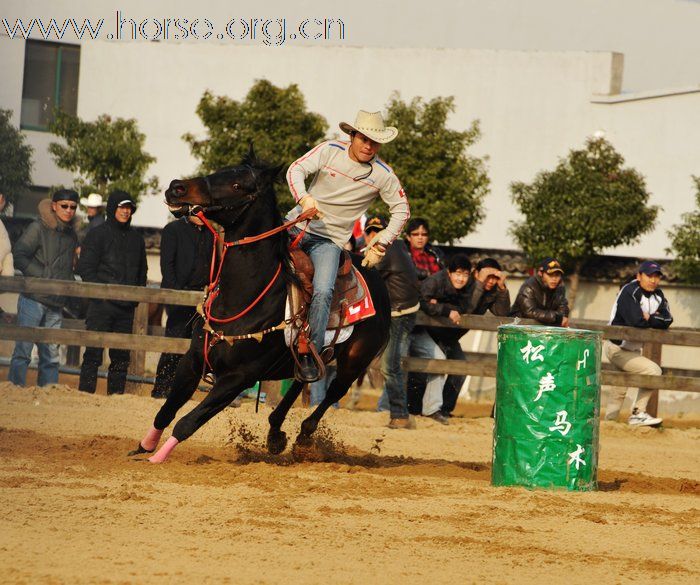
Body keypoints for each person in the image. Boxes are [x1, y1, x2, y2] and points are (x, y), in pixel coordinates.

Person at [285, 110, 410, 382]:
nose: (368, 146)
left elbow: (402, 209)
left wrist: (381, 244)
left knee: (323, 290)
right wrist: (305, 199)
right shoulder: (329, 151)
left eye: (374, 142)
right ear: (352, 136)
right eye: (364, 139)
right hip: (295, 225)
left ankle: (311, 354)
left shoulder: (383, 175)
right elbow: (296, 169)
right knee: (250, 259)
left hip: (329, 241)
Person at [77, 191, 147, 395]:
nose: (126, 211)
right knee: (93, 354)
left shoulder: (137, 239)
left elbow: (142, 271)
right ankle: (84, 396)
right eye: (122, 207)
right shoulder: (97, 234)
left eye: (129, 208)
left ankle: (115, 399)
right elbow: (86, 268)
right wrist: (101, 294)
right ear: (112, 208)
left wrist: (134, 299)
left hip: (125, 309)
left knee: (121, 357)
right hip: (100, 307)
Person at [7, 189, 79, 386]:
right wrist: (43, 275)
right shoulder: (37, 227)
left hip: (56, 303)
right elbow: (20, 254)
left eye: (73, 207)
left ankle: (48, 395)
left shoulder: (72, 235)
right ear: (54, 206)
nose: (69, 210)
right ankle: (14, 393)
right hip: (33, 299)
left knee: (51, 355)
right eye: (64, 205)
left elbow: (68, 266)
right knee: (23, 350)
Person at [364, 216, 421, 429]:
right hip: (400, 311)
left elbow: (366, 269)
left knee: (390, 366)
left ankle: (400, 415)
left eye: (376, 230)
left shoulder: (383, 248)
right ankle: (395, 411)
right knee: (392, 365)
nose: (372, 235)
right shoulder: (394, 245)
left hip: (399, 313)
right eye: (370, 231)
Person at [151, 214, 213, 398]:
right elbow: (167, 265)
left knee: (196, 346)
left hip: (202, 297)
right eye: (198, 210)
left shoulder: (211, 233)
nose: (202, 214)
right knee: (174, 341)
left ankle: (183, 391)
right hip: (179, 296)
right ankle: (161, 389)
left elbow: (213, 264)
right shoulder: (173, 230)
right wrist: (177, 294)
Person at [604, 261, 672, 426]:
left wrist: (649, 317)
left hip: (633, 350)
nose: (653, 280)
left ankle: (609, 424)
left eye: (657, 276)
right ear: (639, 276)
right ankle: (638, 413)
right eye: (649, 276)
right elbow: (636, 320)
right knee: (653, 371)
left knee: (620, 386)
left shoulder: (659, 295)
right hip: (616, 347)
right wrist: (652, 318)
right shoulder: (629, 290)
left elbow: (668, 319)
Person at [411, 254, 474, 424]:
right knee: (411, 367)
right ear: (449, 272)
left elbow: (465, 307)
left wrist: (439, 304)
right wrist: (446, 310)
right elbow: (420, 301)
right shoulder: (435, 281)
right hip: (417, 330)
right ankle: (393, 408)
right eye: (458, 273)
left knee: (457, 366)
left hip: (442, 334)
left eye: (465, 274)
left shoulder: (468, 288)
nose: (461, 278)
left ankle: (437, 409)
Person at [510, 257, 570, 326]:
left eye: (557, 275)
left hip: (541, 330)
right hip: (517, 327)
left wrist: (561, 317)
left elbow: (563, 309)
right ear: (540, 273)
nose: (554, 279)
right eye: (550, 275)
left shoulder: (560, 287)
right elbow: (530, 312)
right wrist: (555, 317)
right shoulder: (529, 286)